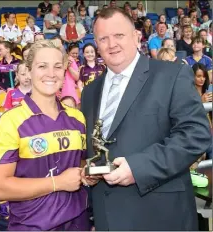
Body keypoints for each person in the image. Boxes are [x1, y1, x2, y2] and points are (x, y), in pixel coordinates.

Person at [80, 7, 211, 231]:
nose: (111, 44)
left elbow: (196, 134)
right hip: (107, 217)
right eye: (103, 38)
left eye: (119, 35)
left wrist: (139, 168)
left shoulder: (171, 75)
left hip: (160, 215)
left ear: (136, 37)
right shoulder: (90, 92)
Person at [0, 40, 90, 231]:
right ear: (29, 70)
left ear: (64, 71)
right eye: (42, 66)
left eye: (57, 67)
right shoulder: (11, 120)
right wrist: (57, 183)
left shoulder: (78, 118)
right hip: (32, 225)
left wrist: (86, 175)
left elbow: (81, 164)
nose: (51, 73)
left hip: (78, 222)